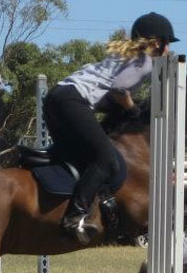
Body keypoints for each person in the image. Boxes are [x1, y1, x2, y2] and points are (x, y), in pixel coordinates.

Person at [43, 12, 178, 242]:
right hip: (72, 100)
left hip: (56, 98)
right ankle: (74, 216)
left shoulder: (129, 55)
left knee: (81, 157)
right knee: (106, 158)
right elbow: (118, 90)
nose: (167, 51)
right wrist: (132, 108)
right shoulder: (145, 61)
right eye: (167, 45)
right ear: (157, 42)